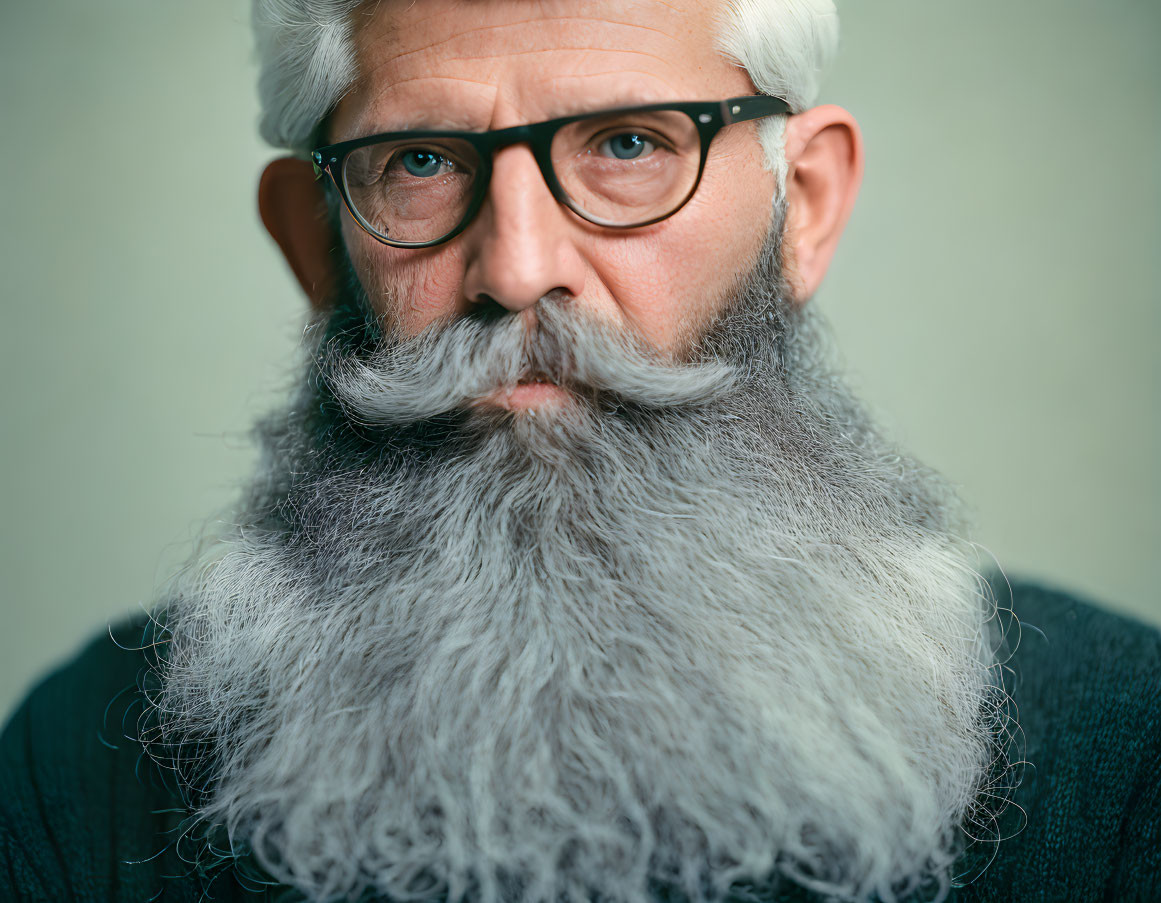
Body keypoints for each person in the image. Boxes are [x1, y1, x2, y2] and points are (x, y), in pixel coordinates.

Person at [2, 0, 1158, 900]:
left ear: (801, 205)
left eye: (627, 143)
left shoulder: (1124, 755)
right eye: (419, 161)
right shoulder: (78, 770)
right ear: (315, 243)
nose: (516, 267)